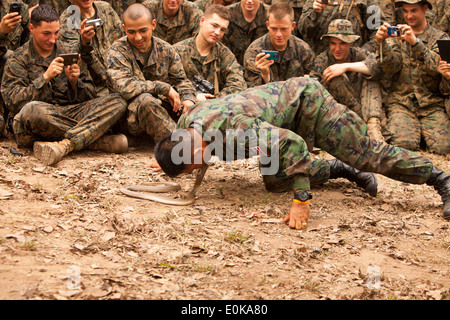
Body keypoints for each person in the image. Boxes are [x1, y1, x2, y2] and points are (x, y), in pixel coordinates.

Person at [153, 77, 450, 230]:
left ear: (192, 147)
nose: (198, 168)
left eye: (194, 165)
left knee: (368, 155)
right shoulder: (186, 123)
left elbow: (292, 142)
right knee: (274, 180)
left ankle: (440, 179)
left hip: (309, 106)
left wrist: (301, 200)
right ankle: (337, 169)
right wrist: (170, 162)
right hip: (277, 121)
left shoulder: (236, 130)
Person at [1, 4, 128, 165]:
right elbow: (13, 101)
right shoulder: (18, 58)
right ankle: (95, 138)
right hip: (40, 116)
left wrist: (74, 82)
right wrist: (44, 78)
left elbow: (90, 94)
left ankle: (66, 144)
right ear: (32, 28)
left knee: (118, 101)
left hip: (69, 112)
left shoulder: (68, 52)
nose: (52, 39)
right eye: (46, 34)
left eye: (56, 33)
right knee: (32, 111)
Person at [106, 3, 196, 144]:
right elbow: (125, 87)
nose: (138, 37)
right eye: (131, 32)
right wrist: (164, 88)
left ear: (153, 25)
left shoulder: (166, 49)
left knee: (198, 105)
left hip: (162, 108)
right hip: (129, 117)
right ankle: (180, 146)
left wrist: (188, 99)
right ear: (124, 29)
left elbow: (181, 80)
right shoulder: (117, 52)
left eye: (143, 30)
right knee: (146, 100)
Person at [375, 0, 450, 155]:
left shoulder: (440, 37)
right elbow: (391, 67)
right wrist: (381, 44)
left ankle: (423, 132)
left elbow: (438, 67)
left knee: (444, 148)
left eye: (413, 10)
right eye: (405, 11)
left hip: (431, 104)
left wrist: (416, 43)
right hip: (402, 103)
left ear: (425, 9)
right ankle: (413, 131)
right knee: (404, 145)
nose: (409, 16)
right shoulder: (396, 36)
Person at [310, 19, 385, 141]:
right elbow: (314, 84)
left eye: (342, 43)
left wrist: (345, 66)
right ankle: (363, 126)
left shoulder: (360, 54)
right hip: (340, 113)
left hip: (366, 106)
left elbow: (378, 68)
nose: (337, 48)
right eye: (333, 43)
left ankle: (372, 125)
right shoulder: (323, 59)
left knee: (370, 78)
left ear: (350, 43)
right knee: (334, 78)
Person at [173, 4, 246, 101]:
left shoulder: (224, 54)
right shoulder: (177, 51)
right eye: (214, 26)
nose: (217, 32)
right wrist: (190, 97)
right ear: (202, 21)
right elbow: (164, 86)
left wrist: (213, 102)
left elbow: (238, 84)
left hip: (213, 110)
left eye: (222, 30)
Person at [59, 0, 124, 95]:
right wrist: (84, 43)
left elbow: (121, 43)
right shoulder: (66, 22)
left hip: (120, 77)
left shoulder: (106, 8)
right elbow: (74, 63)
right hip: (97, 88)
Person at [243, 2, 315, 87]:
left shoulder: (303, 49)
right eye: (274, 29)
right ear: (267, 25)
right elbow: (251, 92)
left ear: (293, 26)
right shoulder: (255, 52)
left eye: (283, 29)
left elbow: (314, 81)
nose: (278, 34)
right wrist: (265, 75)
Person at [298, 0, 386, 54]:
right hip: (321, 62)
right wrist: (315, 13)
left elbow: (377, 32)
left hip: (354, 65)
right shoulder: (315, 2)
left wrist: (362, 53)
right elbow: (304, 31)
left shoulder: (366, 1)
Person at [0, 0, 32, 137]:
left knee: (12, 58)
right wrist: (1, 32)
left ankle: (14, 115)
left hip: (11, 80)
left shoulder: (17, 8)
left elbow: (28, 50)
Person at [221, 0, 270, 65]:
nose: (249, 1)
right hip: (231, 66)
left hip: (262, 67)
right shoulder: (226, 14)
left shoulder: (271, 14)